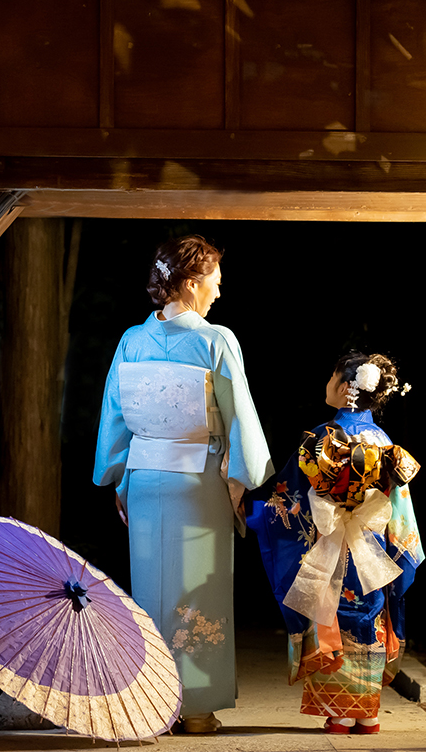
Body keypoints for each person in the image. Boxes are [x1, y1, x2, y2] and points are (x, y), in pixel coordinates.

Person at [92, 235, 273, 734]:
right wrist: (241, 477)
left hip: (146, 475)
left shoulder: (132, 339)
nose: (219, 288)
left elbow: (116, 414)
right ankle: (194, 708)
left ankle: (153, 702)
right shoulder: (216, 340)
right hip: (197, 478)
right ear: (192, 282)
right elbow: (240, 417)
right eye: (215, 278)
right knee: (198, 591)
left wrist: (117, 475)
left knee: (151, 588)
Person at [247, 351, 424, 736]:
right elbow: (401, 510)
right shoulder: (384, 440)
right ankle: (368, 714)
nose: (328, 386)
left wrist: (258, 514)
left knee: (331, 615)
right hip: (373, 546)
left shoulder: (322, 437)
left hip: (329, 540)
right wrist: (401, 549)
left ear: (346, 388)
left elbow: (289, 497)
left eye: (331, 379)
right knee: (371, 615)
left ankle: (340, 713)